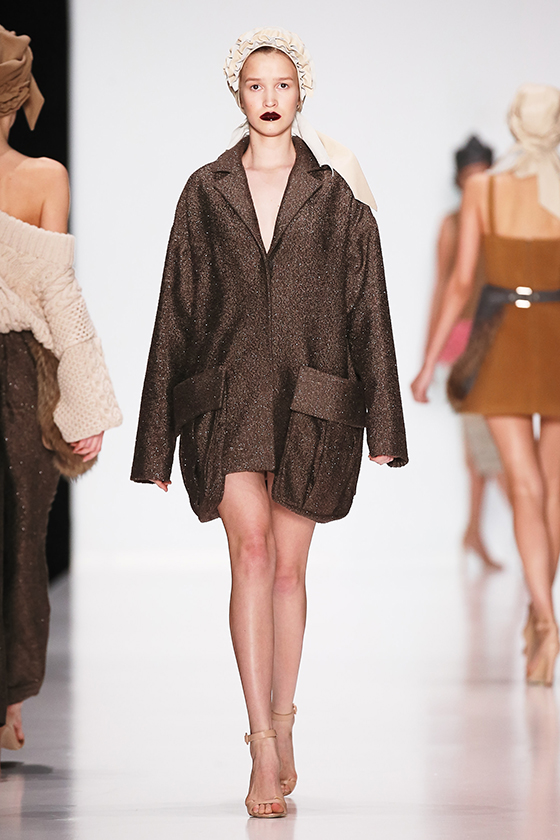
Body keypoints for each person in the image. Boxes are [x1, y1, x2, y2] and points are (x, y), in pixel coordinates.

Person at [132, 27, 408, 818]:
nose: (269, 97)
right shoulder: (204, 190)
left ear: (301, 92)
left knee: (289, 569)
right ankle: (259, 743)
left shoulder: (339, 193)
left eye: (282, 84)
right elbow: (175, 311)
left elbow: (368, 306)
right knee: (249, 553)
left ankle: (285, 721)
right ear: (238, 94)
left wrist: (384, 426)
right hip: (224, 400)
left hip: (310, 403)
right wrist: (155, 443)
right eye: (256, 85)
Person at [412, 84, 560, 686]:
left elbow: (459, 283)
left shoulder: (484, 190)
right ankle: (538, 611)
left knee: (523, 485)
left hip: (502, 342)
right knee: (553, 489)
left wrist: (429, 362)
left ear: (515, 124)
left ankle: (544, 615)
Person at [0, 26, 122, 759]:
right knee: (19, 533)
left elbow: (58, 291)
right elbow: (59, 294)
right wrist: (85, 400)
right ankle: (9, 697)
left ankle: (7, 695)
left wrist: (83, 397)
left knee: (19, 529)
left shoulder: (46, 178)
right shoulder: (45, 178)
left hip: (21, 373)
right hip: (22, 372)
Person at [426, 136, 506, 570]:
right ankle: (520, 534)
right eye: (469, 176)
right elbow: (443, 285)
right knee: (489, 446)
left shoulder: (505, 219)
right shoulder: (453, 225)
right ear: (459, 181)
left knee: (483, 448)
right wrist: (429, 354)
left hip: (499, 340)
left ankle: (473, 532)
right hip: (461, 343)